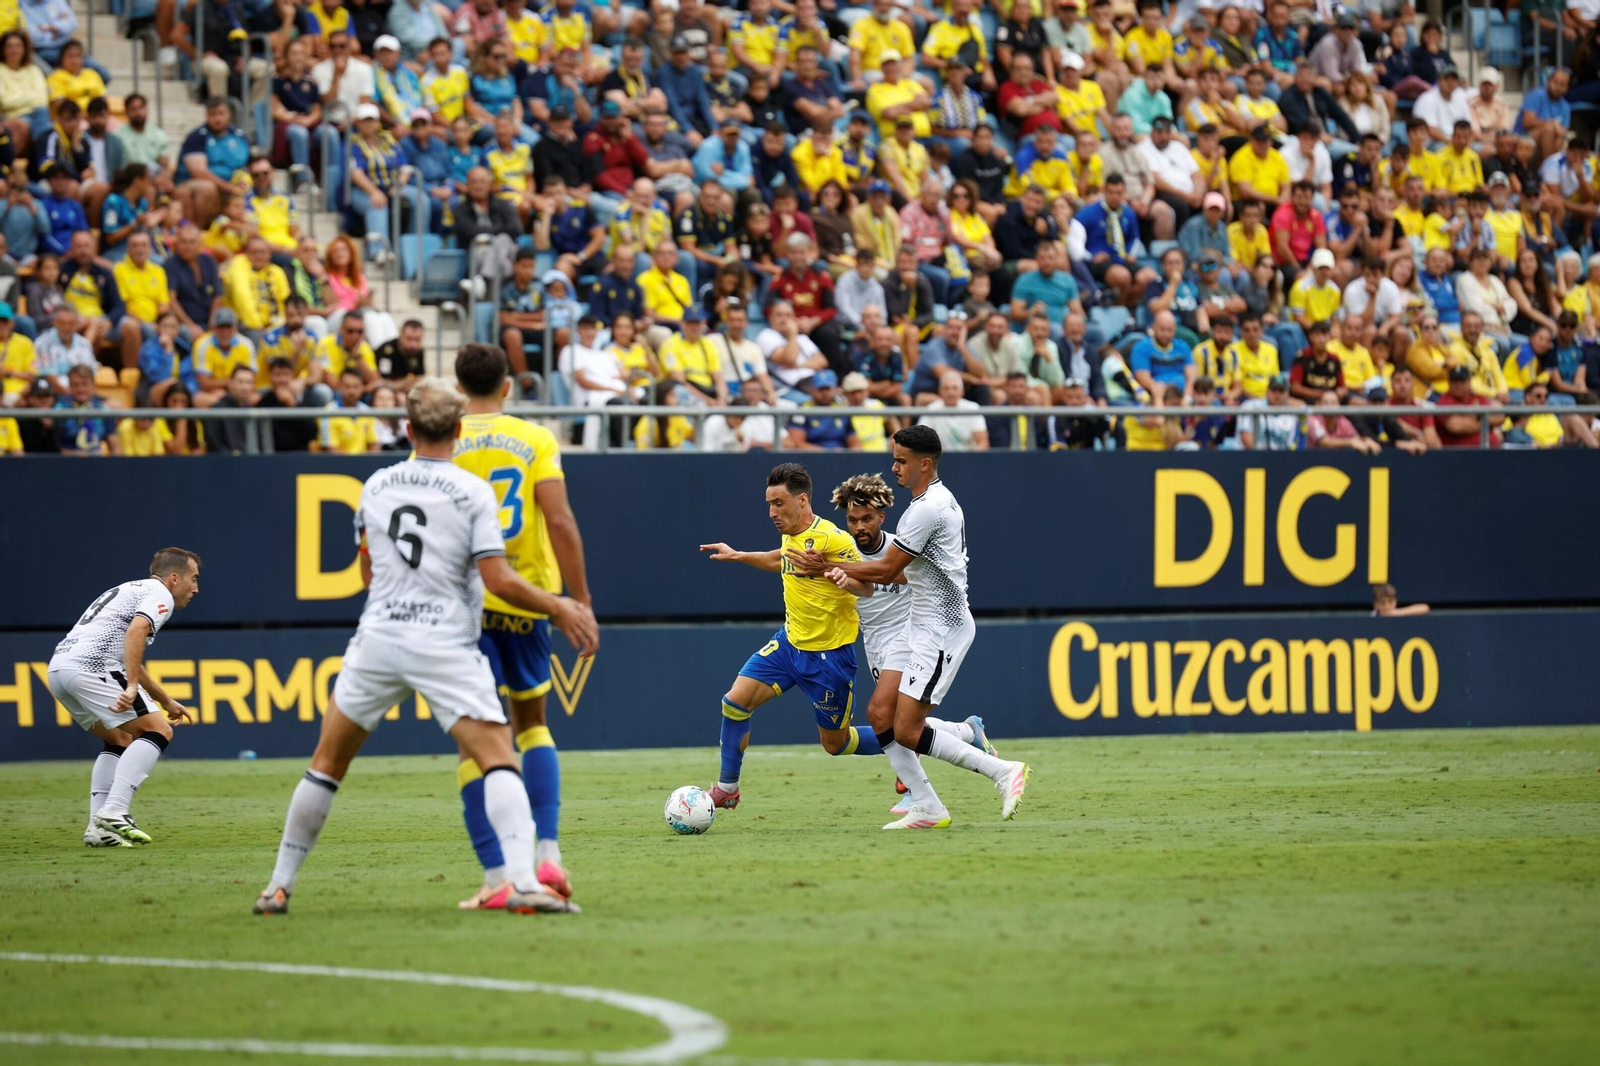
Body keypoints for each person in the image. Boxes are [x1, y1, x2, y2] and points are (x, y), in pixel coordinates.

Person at [253, 378, 596, 916]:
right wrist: (560, 606)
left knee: (326, 763)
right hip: (444, 642)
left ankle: (277, 886)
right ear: (457, 430)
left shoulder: (376, 486)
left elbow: (368, 572)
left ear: (409, 430)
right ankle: (523, 881)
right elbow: (499, 579)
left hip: (380, 638)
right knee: (500, 757)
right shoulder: (472, 491)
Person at [787, 426, 1029, 828]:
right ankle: (929, 807)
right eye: (894, 459)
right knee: (880, 713)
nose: (894, 467)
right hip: (918, 622)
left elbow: (887, 570)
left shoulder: (927, 509)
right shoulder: (926, 503)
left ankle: (1003, 771)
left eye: (901, 460)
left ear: (925, 464)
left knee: (907, 728)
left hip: (943, 626)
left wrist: (826, 565)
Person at [447, 343, 592, 908]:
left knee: (474, 742)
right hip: (528, 596)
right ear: (507, 386)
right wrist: (578, 600)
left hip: (465, 604)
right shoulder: (535, 439)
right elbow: (560, 519)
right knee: (533, 726)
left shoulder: (444, 438)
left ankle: (494, 876)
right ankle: (548, 854)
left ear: (460, 387)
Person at [45, 548, 201, 847]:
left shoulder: (131, 588)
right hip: (93, 667)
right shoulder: (160, 594)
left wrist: (165, 699)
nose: (196, 588)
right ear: (174, 578)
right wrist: (130, 687)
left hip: (60, 669)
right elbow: (136, 633)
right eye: (193, 579)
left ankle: (98, 829)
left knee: (119, 739)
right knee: (159, 730)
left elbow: (130, 653)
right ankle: (115, 809)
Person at [918, 368, 989, 451]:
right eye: (946, 388)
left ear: (962, 391)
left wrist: (972, 457)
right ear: (940, 391)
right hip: (940, 457)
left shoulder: (973, 408)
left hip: (968, 456)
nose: (951, 393)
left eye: (955, 388)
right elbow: (921, 441)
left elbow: (982, 442)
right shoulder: (931, 410)